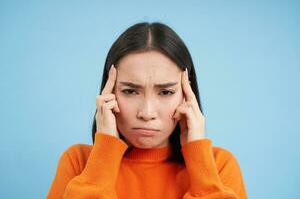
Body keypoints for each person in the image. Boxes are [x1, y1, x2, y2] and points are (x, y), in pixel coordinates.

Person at [47, 22, 248, 199]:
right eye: (130, 91)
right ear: (109, 93)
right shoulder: (78, 163)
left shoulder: (219, 167)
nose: (147, 112)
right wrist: (105, 151)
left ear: (187, 95)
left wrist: (198, 158)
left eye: (166, 92)